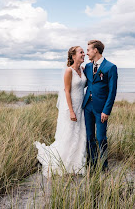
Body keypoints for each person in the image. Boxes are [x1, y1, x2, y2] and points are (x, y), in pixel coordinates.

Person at [34, 46, 87, 177]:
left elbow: (83, 85)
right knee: (68, 134)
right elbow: (67, 91)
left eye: (84, 52)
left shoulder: (82, 69)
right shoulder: (68, 71)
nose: (84, 54)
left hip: (81, 107)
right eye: (81, 52)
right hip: (71, 107)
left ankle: (77, 159)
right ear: (73, 56)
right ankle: (64, 160)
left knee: (79, 132)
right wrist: (71, 111)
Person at [82, 40, 118, 171]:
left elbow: (112, 91)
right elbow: (84, 82)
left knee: (101, 137)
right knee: (89, 136)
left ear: (95, 50)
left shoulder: (110, 67)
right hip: (87, 107)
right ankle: (92, 162)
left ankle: (104, 166)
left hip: (101, 109)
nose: (86, 53)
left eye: (88, 50)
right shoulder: (87, 67)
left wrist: (106, 111)